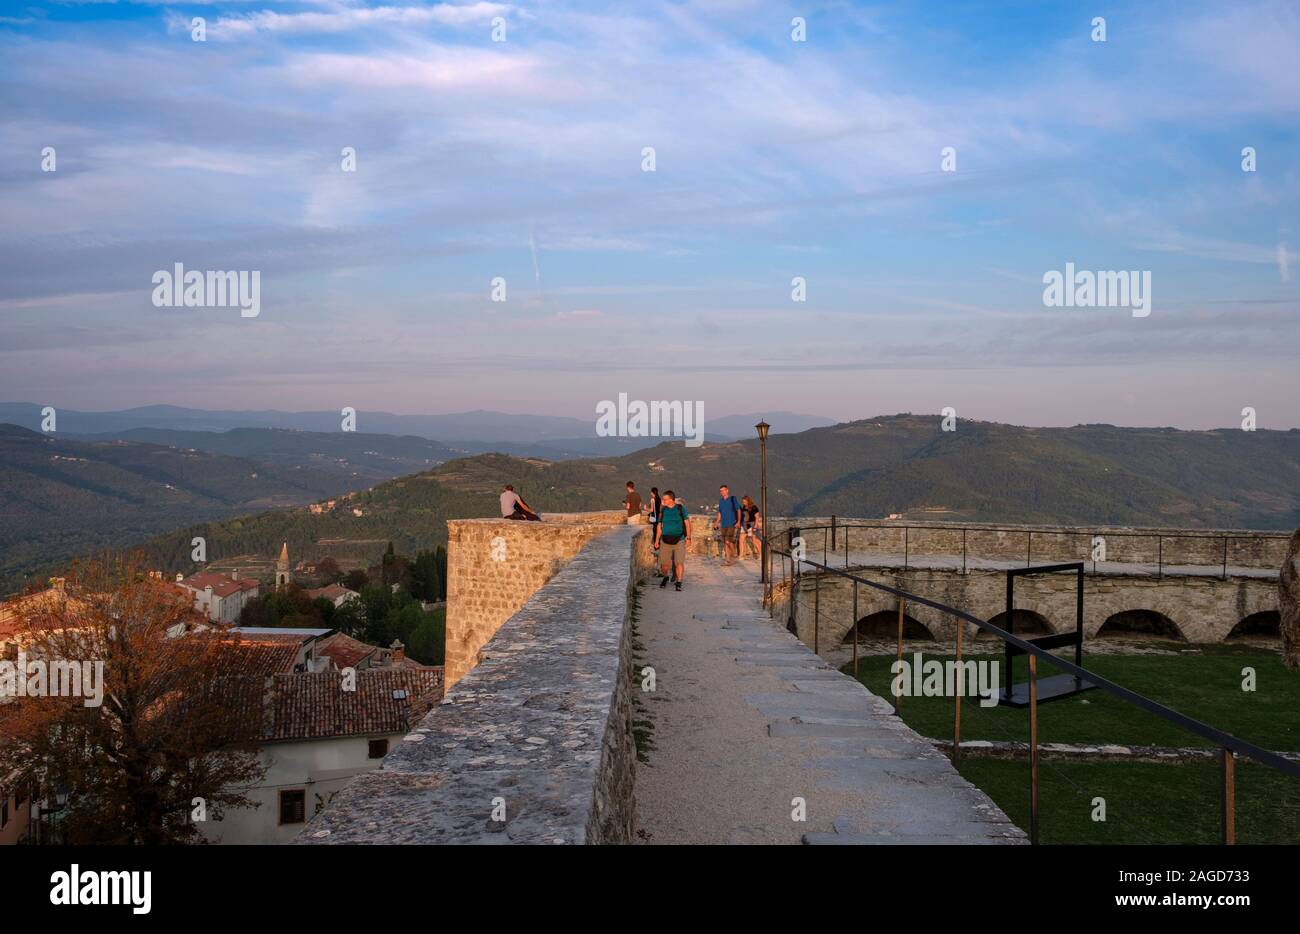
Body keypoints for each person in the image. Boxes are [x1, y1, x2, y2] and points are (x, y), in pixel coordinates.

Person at [653, 489, 690, 591]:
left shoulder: (680, 508)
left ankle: (679, 582)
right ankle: (666, 577)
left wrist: (689, 538)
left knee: (679, 562)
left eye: (665, 499)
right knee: (664, 565)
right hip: (665, 541)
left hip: (680, 539)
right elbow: (659, 526)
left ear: (671, 499)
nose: (663, 501)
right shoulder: (663, 510)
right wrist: (656, 540)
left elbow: (687, 523)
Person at [714, 484, 742, 566]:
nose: (722, 492)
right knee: (725, 542)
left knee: (728, 541)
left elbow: (738, 510)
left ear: (727, 490)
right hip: (723, 524)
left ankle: (733, 556)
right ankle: (728, 559)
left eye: (723, 490)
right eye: (720, 491)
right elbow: (720, 512)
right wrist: (716, 522)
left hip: (731, 523)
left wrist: (739, 521)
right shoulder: (721, 501)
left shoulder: (733, 499)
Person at [739, 494, 762, 559]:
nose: (743, 502)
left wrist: (755, 527)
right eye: (743, 501)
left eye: (744, 501)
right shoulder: (744, 507)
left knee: (754, 540)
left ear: (748, 501)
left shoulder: (754, 507)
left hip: (752, 524)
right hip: (744, 525)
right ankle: (741, 555)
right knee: (741, 539)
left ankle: (760, 554)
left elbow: (757, 517)